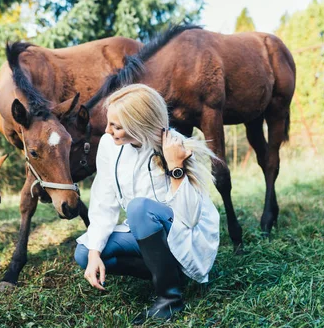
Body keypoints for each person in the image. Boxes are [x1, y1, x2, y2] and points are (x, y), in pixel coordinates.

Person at [74, 84, 220, 324]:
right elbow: (104, 199)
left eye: (117, 126)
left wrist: (176, 167)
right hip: (147, 231)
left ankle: (169, 298)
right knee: (84, 253)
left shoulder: (176, 145)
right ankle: (168, 273)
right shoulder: (110, 146)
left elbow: (191, 217)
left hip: (184, 234)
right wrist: (94, 253)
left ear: (139, 126)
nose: (107, 130)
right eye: (109, 122)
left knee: (139, 208)